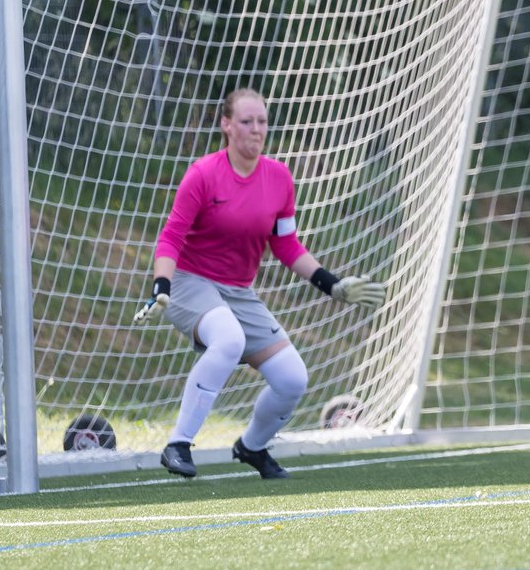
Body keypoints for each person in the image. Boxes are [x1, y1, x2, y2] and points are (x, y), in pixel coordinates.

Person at [134, 88, 386, 479]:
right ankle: (178, 445)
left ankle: (251, 447)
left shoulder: (279, 178)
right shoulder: (203, 174)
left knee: (292, 378)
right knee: (229, 339)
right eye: (247, 122)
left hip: (238, 291)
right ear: (227, 125)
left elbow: (286, 244)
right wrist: (161, 286)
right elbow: (171, 236)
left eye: (262, 122)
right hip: (189, 281)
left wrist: (332, 285)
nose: (256, 130)